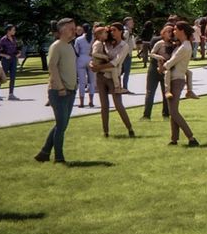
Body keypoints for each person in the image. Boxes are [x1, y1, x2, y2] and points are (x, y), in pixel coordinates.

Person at [34, 19, 80, 164]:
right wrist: (60, 87)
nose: (74, 30)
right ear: (62, 30)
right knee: (61, 125)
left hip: (70, 91)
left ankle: (44, 153)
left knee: (62, 124)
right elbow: (52, 67)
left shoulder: (69, 46)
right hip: (59, 91)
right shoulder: (57, 46)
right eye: (71, 28)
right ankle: (59, 157)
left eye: (74, 28)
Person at [90, 26, 135, 138]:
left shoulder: (124, 46)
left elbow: (116, 62)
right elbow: (95, 56)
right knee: (104, 106)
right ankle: (105, 132)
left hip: (113, 78)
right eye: (110, 31)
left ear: (120, 31)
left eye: (115, 30)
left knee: (118, 105)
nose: (112, 33)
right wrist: (92, 65)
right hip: (101, 77)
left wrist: (98, 67)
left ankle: (130, 128)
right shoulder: (105, 43)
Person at [164, 20, 200, 147]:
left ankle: (191, 138)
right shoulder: (183, 45)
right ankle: (174, 139)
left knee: (173, 112)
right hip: (176, 79)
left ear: (182, 31)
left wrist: (163, 66)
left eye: (175, 29)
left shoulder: (184, 47)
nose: (173, 31)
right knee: (173, 110)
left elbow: (171, 62)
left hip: (176, 80)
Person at [0, 25, 21, 100]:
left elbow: (15, 49)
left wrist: (18, 53)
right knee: (3, 77)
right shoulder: (3, 39)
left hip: (13, 60)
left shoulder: (14, 38)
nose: (14, 31)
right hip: (6, 61)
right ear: (8, 31)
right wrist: (5, 55)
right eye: (13, 30)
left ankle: (11, 94)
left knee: (13, 77)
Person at [74, 24, 94, 108]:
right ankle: (91, 101)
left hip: (81, 58)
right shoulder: (93, 38)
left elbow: (76, 51)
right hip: (91, 58)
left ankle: (81, 102)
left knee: (82, 82)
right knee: (92, 81)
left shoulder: (79, 39)